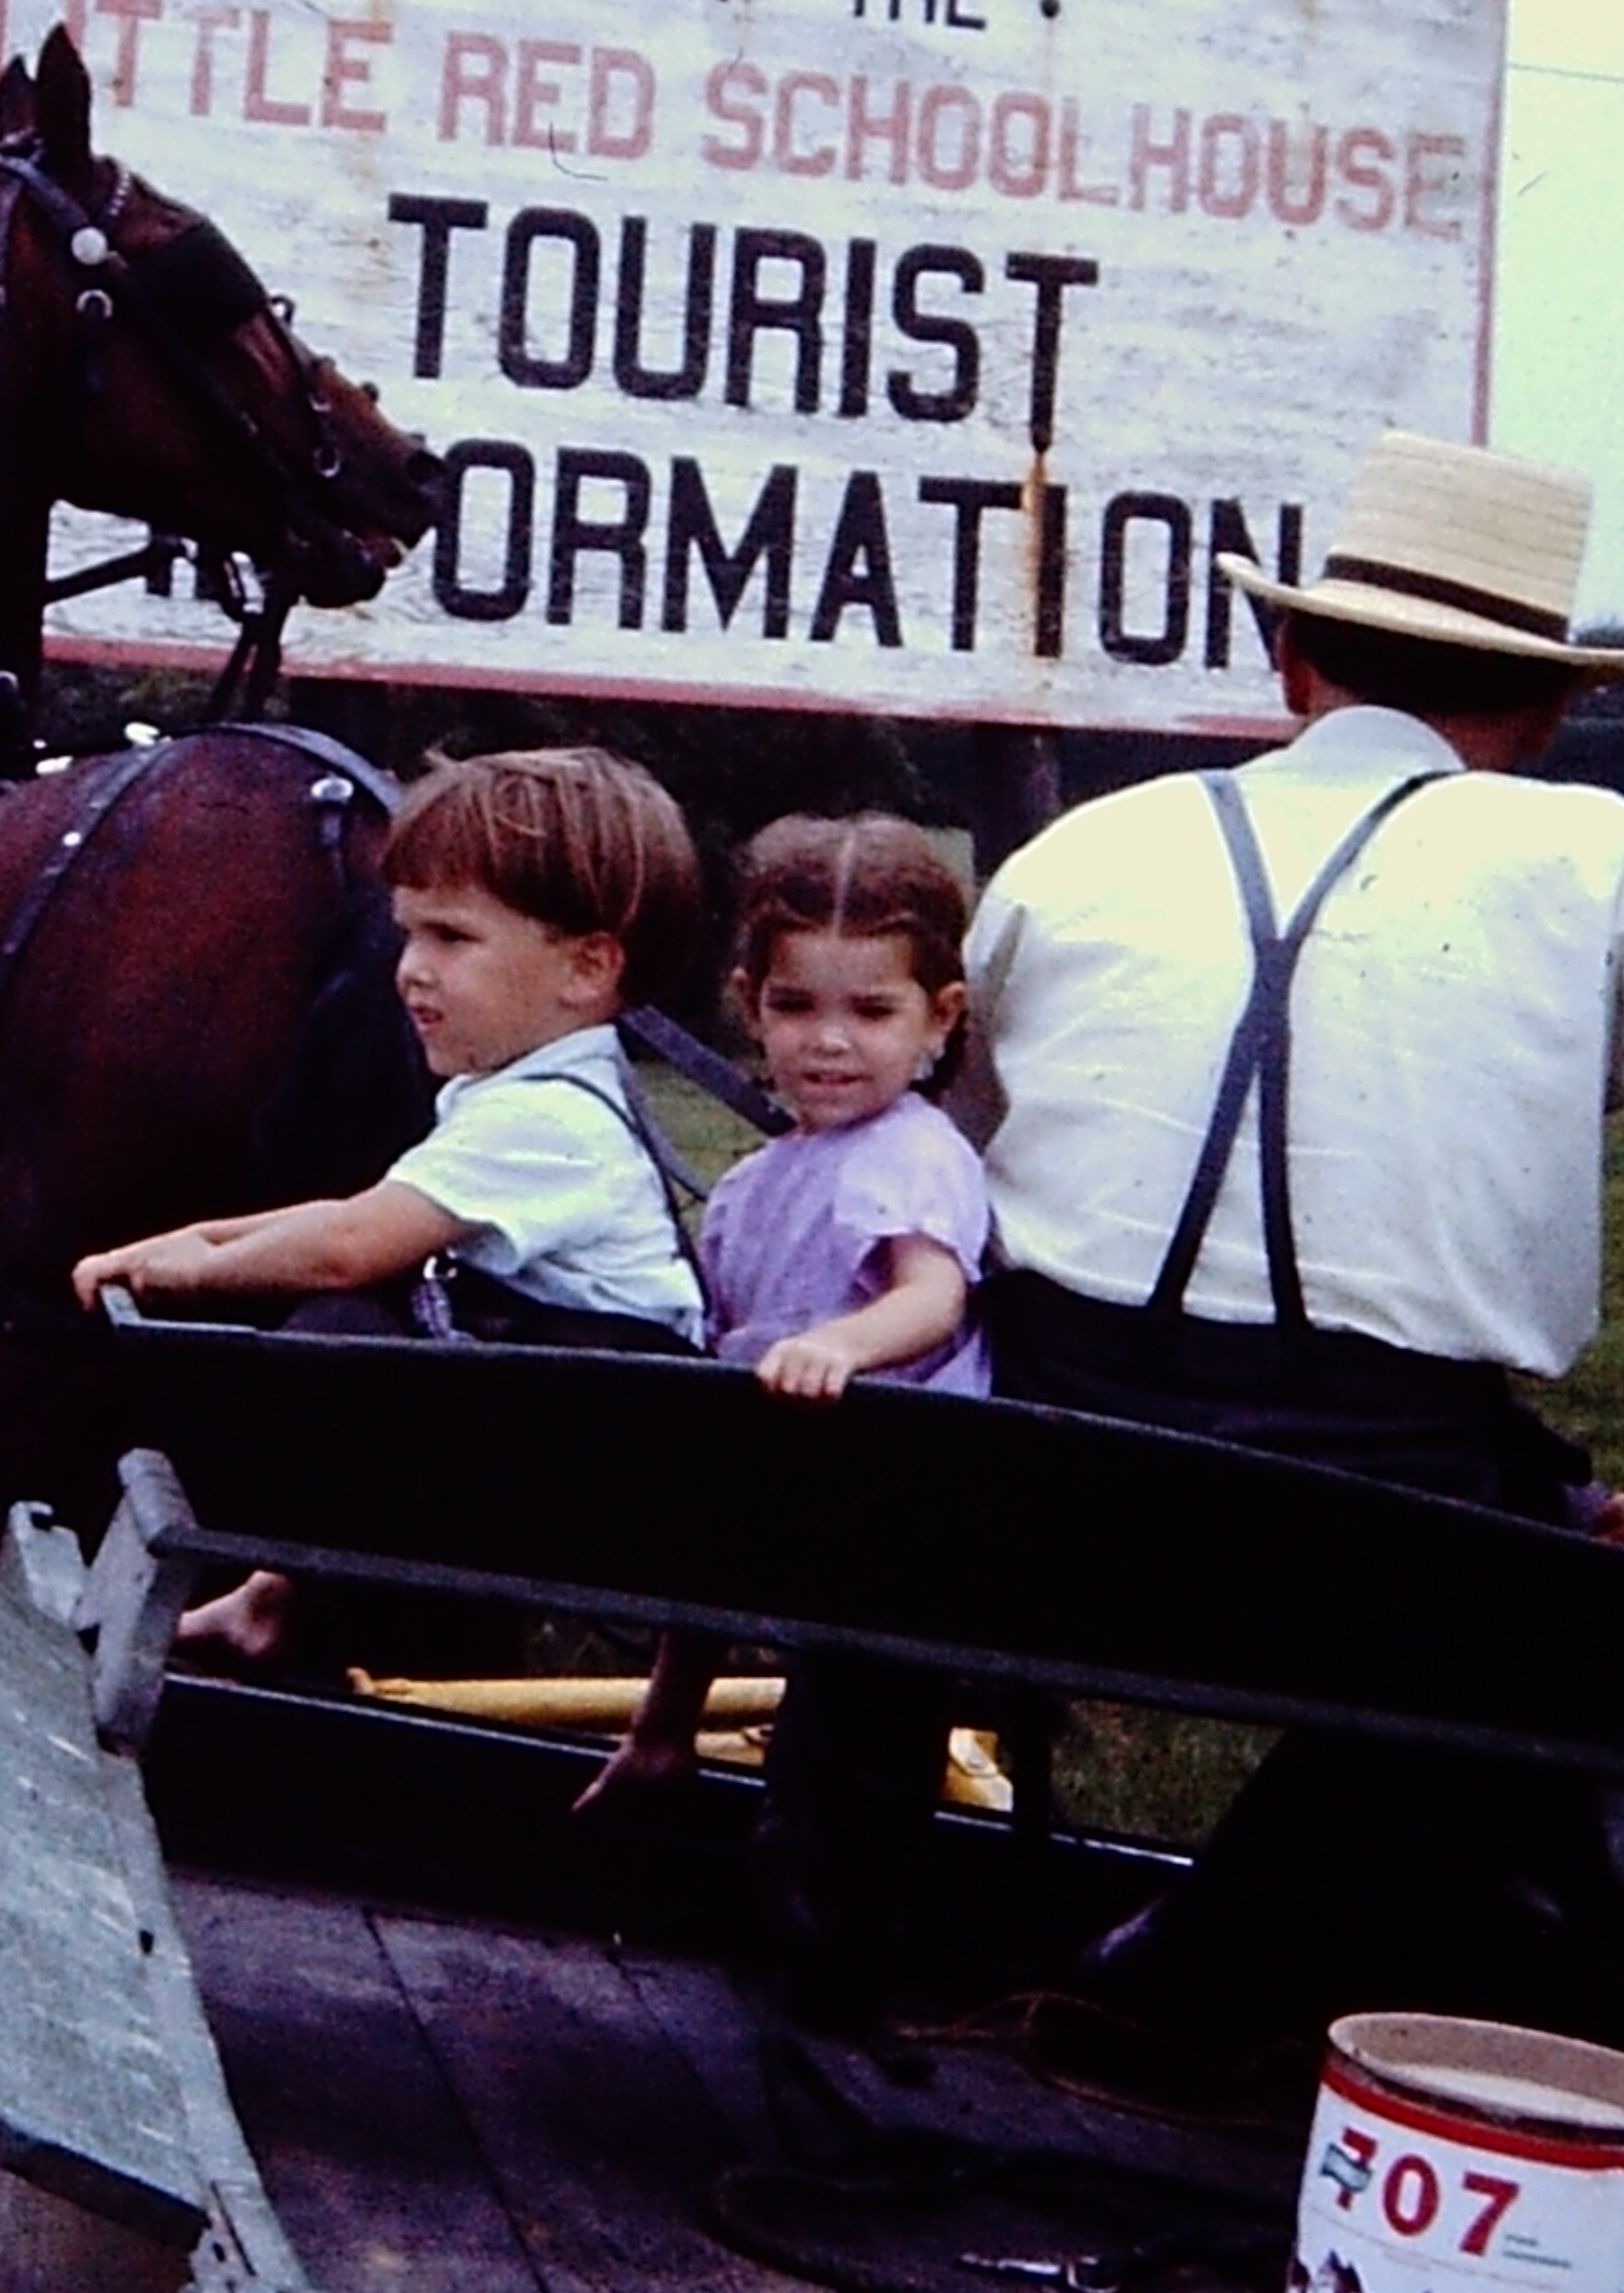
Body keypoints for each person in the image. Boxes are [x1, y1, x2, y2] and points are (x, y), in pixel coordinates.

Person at [958, 429, 1624, 2045]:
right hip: (1389, 1525)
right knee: (1547, 1590)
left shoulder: (1080, 850)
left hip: (1039, 1486)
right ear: (1548, 708)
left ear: (1288, 662)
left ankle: (1168, 1959)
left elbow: (981, 1170)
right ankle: (1208, 1969)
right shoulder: (1599, 852)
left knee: (1504, 1570)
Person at [73, 745, 707, 1658]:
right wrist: (183, 1239)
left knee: (341, 1339)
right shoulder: (517, 1092)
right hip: (548, 1429)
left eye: (452, 938)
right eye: (409, 933)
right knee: (356, 1327)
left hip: (594, 1471)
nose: (411, 969)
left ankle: (300, 1594)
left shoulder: (549, 1120)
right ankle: (276, 1592)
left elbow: (351, 1241)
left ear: (586, 969)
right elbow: (363, 1207)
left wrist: (194, 1271)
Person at [591, 813, 989, 1809]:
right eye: (795, 1004)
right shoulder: (754, 1186)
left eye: (872, 1011)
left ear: (939, 1018)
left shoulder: (915, 1152)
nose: (829, 1040)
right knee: (715, 1515)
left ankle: (829, 1908)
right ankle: (663, 1729)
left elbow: (932, 1297)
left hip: (896, 1506)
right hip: (785, 1478)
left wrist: (839, 1346)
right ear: (749, 1006)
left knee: (851, 1741)